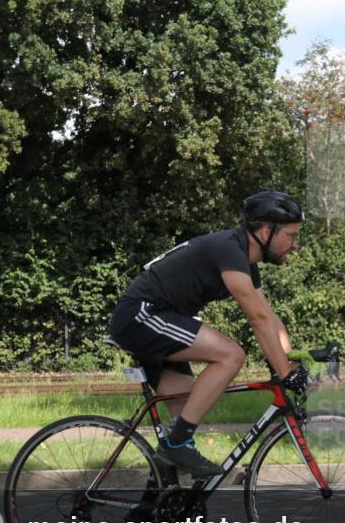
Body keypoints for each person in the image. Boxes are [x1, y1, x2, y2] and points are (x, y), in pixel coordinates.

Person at [106, 191, 310, 478]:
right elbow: (258, 319)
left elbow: (270, 317)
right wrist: (285, 372)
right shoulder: (229, 250)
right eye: (291, 235)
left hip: (162, 317)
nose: (295, 244)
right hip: (142, 315)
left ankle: (158, 492)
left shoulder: (245, 262)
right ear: (266, 231)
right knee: (231, 355)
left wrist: (290, 361)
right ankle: (177, 445)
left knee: (188, 403)